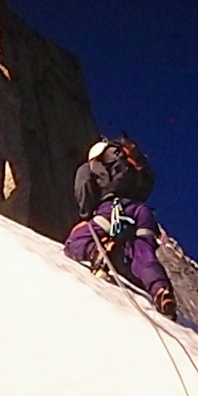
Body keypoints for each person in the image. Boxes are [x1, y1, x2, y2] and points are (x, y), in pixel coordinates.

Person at [64, 137, 177, 320]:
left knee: (76, 241)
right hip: (141, 212)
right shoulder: (132, 165)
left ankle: (98, 252)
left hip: (113, 208)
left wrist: (86, 215)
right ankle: (160, 289)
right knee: (142, 251)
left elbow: (84, 182)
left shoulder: (94, 162)